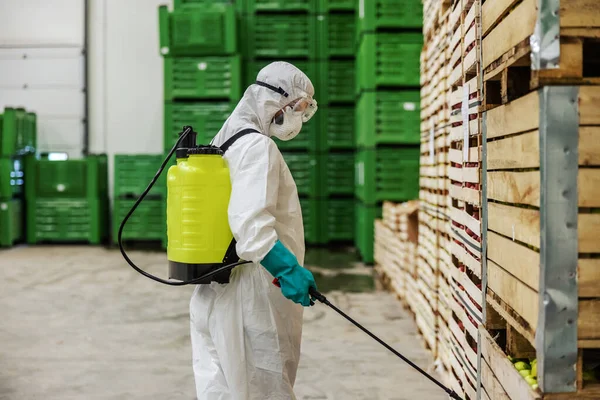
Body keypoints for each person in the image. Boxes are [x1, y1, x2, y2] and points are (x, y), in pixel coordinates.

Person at [189, 61, 319, 399]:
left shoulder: (225, 140)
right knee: (263, 389)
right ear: (276, 101)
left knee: (221, 391)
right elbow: (250, 226)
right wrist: (288, 269)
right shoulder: (258, 148)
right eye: (298, 107)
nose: (298, 118)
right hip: (249, 296)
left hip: (213, 292)